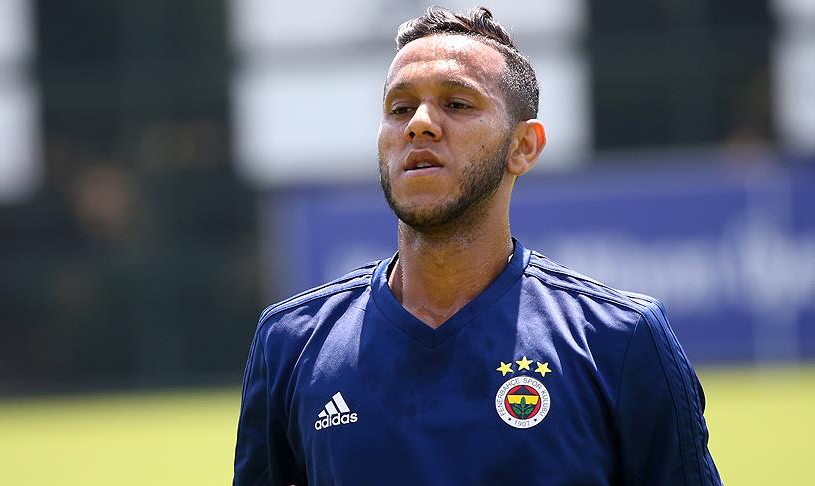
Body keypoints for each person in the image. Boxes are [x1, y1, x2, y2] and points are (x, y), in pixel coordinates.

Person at [233, 6, 721, 485]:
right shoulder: (291, 343)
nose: (419, 123)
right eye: (399, 108)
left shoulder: (620, 340)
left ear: (523, 146)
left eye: (458, 104)